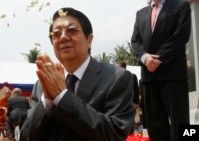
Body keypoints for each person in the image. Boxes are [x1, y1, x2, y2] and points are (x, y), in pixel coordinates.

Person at [20, 7, 135, 141]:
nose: (63, 37)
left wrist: (62, 96)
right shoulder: (42, 85)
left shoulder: (116, 78)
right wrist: (47, 101)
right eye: (56, 34)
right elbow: (26, 137)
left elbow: (114, 133)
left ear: (89, 39)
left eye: (72, 31)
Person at [131, 0, 191, 141]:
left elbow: (181, 35)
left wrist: (159, 59)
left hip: (173, 75)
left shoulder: (180, 5)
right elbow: (135, 41)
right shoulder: (141, 13)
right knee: (154, 125)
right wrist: (146, 58)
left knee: (181, 122)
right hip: (148, 76)